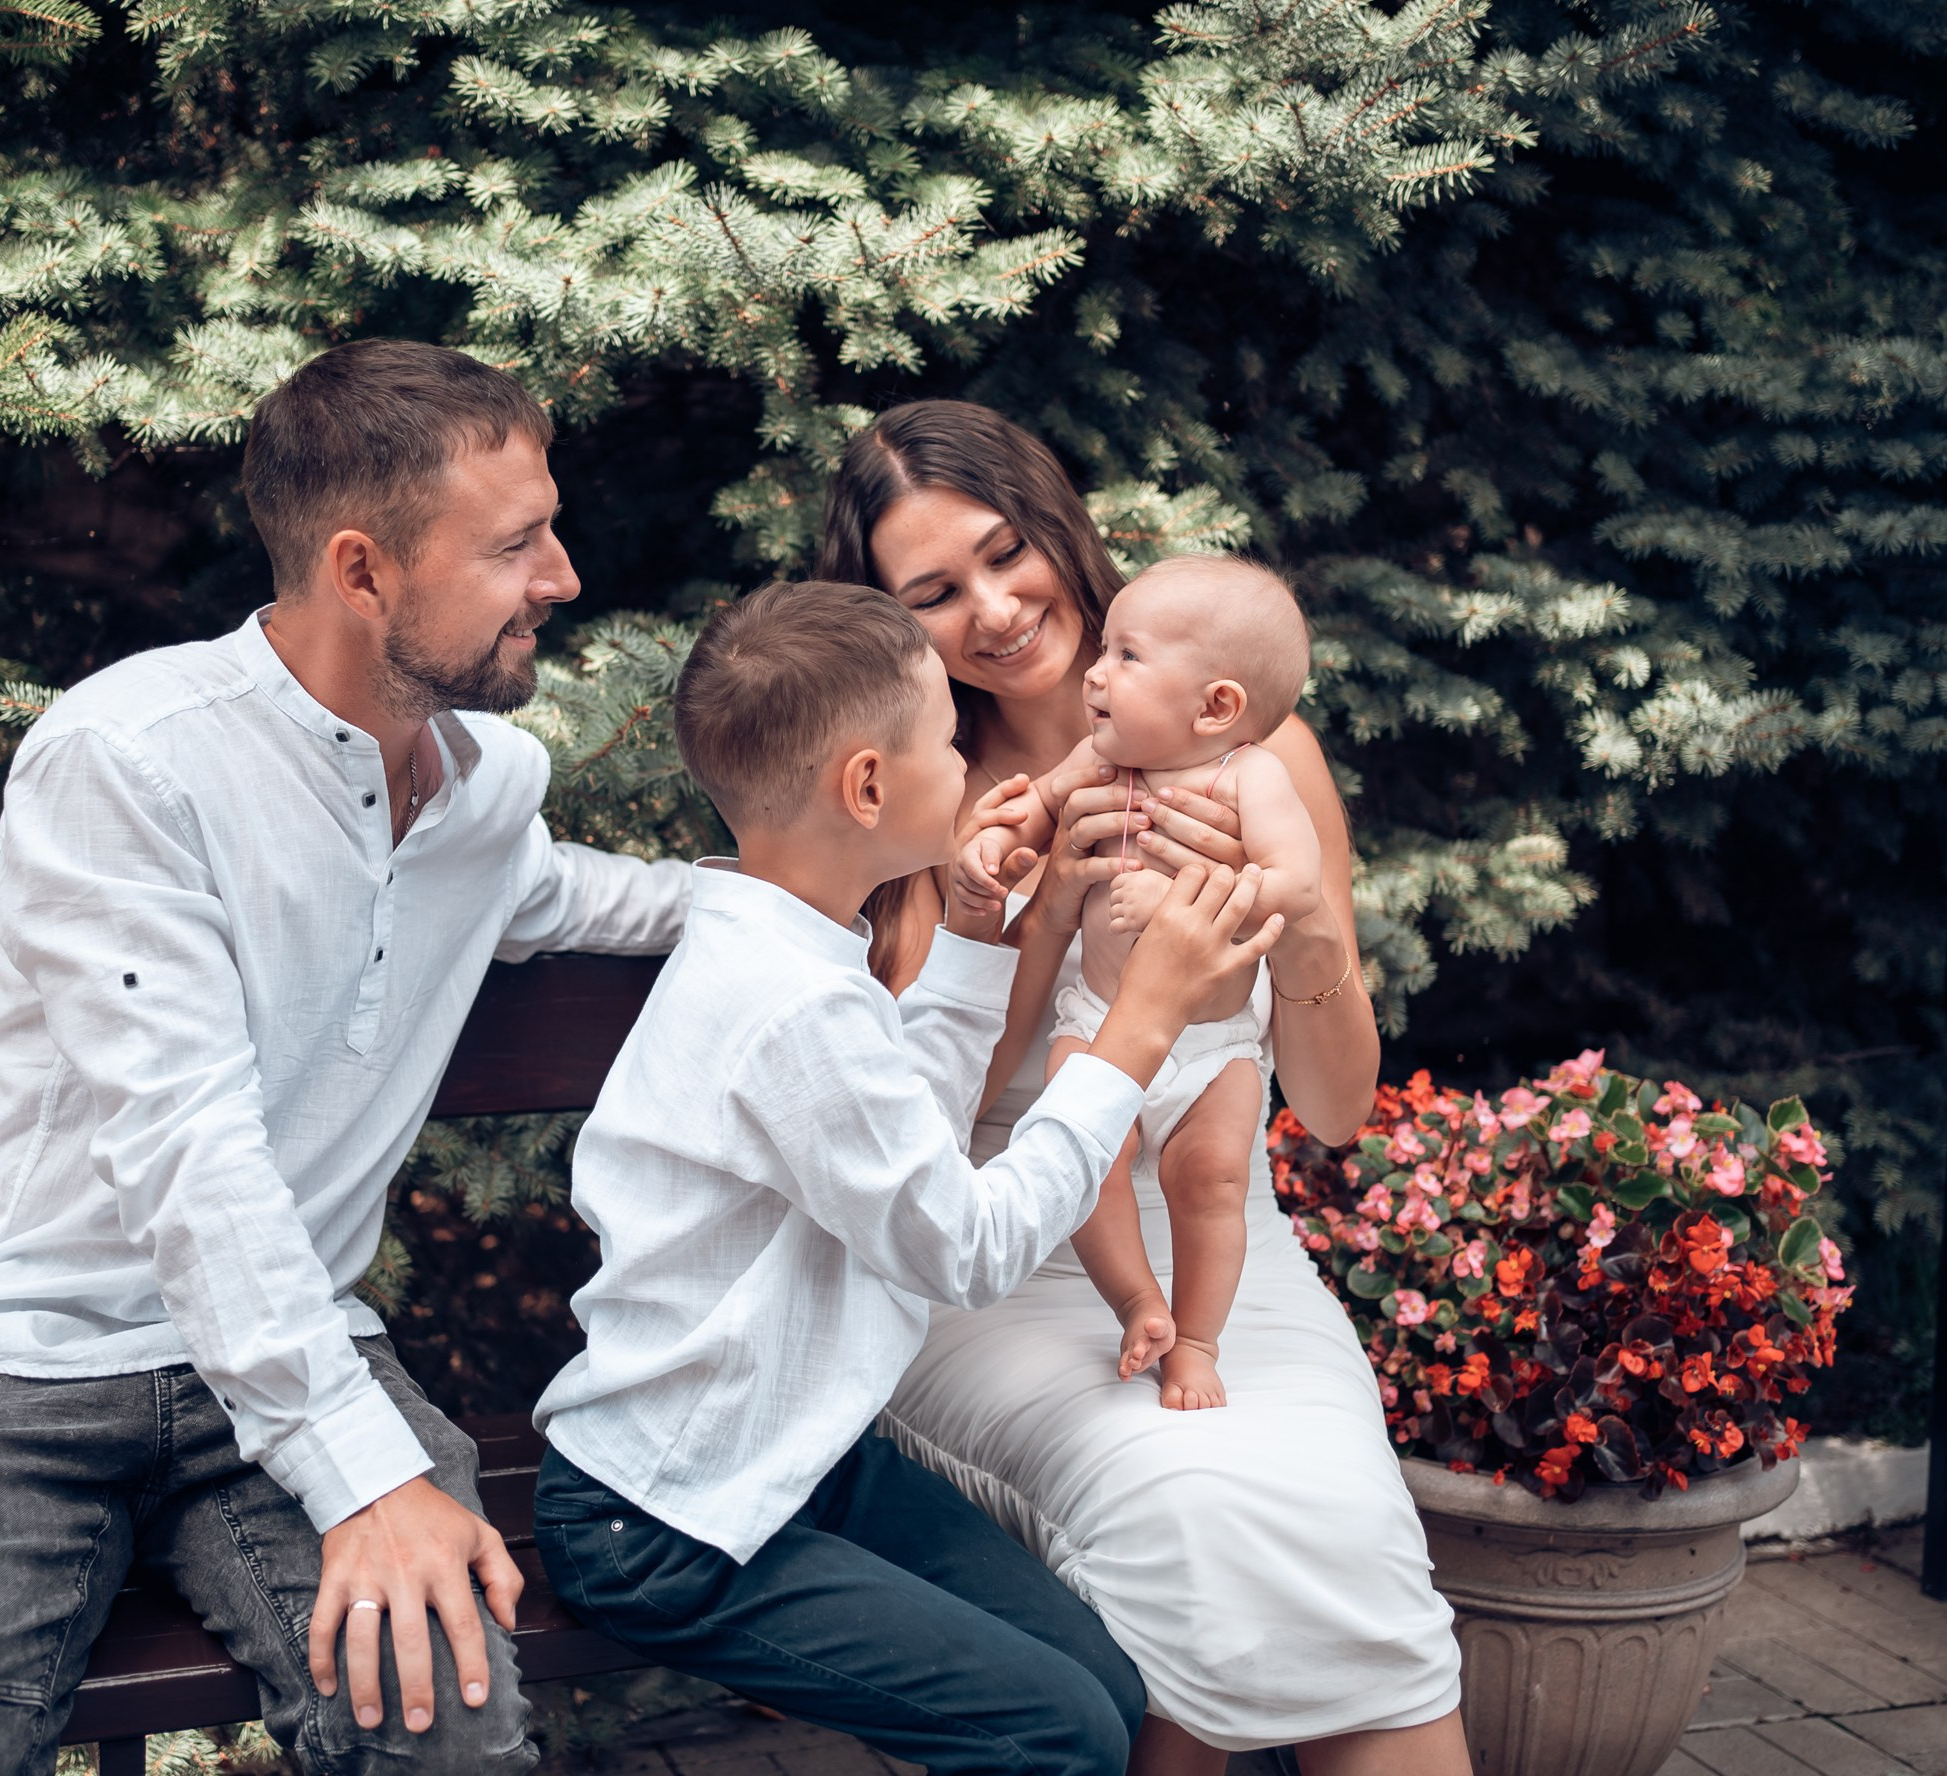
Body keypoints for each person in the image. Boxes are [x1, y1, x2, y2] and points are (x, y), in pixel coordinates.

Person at [0, 339, 692, 1776]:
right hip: (13, 1364)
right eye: (518, 543)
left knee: (450, 1746)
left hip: (288, 1354)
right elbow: (185, 1150)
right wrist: (366, 1476)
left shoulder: (484, 784)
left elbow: (568, 895)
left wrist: (866, 884)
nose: (563, 577)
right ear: (363, 570)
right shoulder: (130, 758)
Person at [531, 579, 1283, 1776]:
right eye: (944, 740)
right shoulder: (785, 1005)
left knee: (1114, 1692)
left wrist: (978, 931)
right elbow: (964, 1247)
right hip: (667, 1519)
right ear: (868, 787)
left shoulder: (795, 947)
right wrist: (1137, 1029)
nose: (973, 770)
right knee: (1061, 1732)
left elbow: (908, 1156)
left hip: (803, 1457)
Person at [818, 400, 1469, 1775]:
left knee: (1336, 1512)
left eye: (1007, 554)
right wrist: (1034, 917)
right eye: (934, 592)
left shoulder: (1258, 755)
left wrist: (1299, 933)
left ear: (1058, 527)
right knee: (1189, 1505)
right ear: (889, 621)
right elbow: (926, 1136)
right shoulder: (922, 793)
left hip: (1219, 1237)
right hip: (1000, 1257)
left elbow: (1339, 1108)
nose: (995, 611)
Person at [955, 555, 1326, 1410]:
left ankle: (1196, 1340)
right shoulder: (1100, 759)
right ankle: (1137, 1303)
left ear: (1217, 706)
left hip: (1212, 1045)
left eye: (1127, 656)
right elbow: (1035, 809)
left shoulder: (1250, 776)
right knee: (1082, 1160)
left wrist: (1190, 897)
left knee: (1212, 1183)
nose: (1096, 673)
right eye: (1105, 651)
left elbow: (1294, 882)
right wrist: (995, 844)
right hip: (1098, 1022)